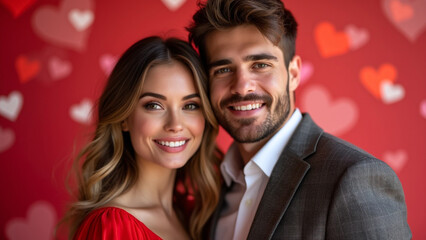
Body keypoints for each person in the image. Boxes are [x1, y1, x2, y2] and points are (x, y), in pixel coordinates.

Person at [187, 0, 412, 239]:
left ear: (293, 74)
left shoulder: (354, 178)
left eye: (261, 65)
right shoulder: (213, 187)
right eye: (223, 70)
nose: (242, 87)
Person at [61, 36, 221, 240]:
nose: (175, 125)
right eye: (154, 105)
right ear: (124, 118)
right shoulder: (111, 227)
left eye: (190, 106)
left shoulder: (195, 216)